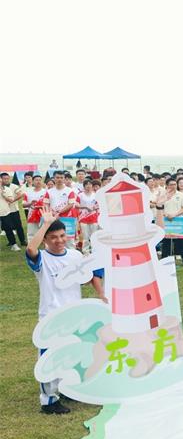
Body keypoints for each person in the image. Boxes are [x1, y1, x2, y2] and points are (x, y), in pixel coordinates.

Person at [26, 210, 105, 414]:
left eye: (62, 236)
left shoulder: (75, 255)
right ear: (45, 239)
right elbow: (31, 248)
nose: (59, 241)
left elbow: (89, 276)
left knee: (73, 354)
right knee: (50, 358)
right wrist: (46, 223)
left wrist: (101, 293)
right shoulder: (42, 259)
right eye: (53, 237)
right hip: (51, 317)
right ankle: (49, 401)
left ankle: (68, 389)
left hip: (74, 314)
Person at [158, 178, 183, 265]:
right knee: (166, 241)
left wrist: (175, 214)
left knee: (181, 242)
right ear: (167, 185)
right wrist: (165, 214)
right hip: (166, 220)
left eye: (175, 184)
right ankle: (164, 260)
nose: (173, 186)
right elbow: (159, 207)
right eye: (171, 184)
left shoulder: (181, 195)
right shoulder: (163, 196)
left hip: (178, 220)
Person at [1, 172, 26, 251]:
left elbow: (20, 194)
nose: (6, 180)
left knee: (18, 226)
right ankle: (11, 242)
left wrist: (11, 201)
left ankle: (22, 241)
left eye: (7, 178)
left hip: (13, 210)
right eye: (4, 179)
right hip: (4, 211)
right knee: (6, 227)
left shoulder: (13, 186)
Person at [76, 179, 100, 255]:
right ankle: (86, 252)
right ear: (84, 186)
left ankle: (95, 251)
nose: (88, 186)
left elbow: (99, 204)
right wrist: (85, 207)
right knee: (85, 237)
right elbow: (76, 205)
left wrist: (95, 207)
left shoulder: (95, 195)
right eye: (86, 184)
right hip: (83, 218)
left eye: (90, 184)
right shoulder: (80, 195)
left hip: (94, 218)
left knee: (94, 236)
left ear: (92, 186)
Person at [23, 175, 46, 240]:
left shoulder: (46, 192)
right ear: (32, 181)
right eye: (36, 180)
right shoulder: (28, 192)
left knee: (46, 234)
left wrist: (42, 206)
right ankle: (31, 246)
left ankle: (46, 245)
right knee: (31, 235)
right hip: (32, 216)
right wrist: (30, 203)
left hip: (44, 215)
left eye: (40, 180)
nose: (38, 181)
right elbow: (23, 204)